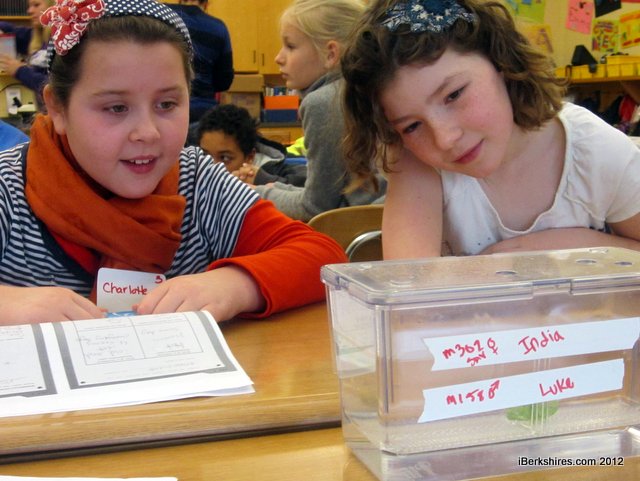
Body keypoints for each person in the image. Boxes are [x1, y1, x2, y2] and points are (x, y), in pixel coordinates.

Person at [0, 0, 346, 327]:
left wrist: (236, 284)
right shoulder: (9, 187)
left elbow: (323, 256)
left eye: (166, 104)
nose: (147, 133)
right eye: (116, 108)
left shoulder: (196, 181)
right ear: (58, 108)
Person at [340, 0, 640, 259]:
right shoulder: (418, 164)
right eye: (412, 126)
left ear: (500, 61)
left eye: (454, 95)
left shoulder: (596, 150)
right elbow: (409, 291)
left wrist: (581, 244)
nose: (445, 139)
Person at [254, 0, 386, 222]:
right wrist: (275, 188)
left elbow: (315, 208)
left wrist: (253, 195)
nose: (279, 58)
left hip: (362, 231)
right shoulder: (357, 89)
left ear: (330, 54)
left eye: (290, 46)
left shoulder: (323, 102)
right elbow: (329, 196)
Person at [196, 104, 307, 187]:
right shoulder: (194, 169)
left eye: (225, 158)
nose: (213, 167)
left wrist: (261, 179)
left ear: (250, 157)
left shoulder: (270, 170)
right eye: (205, 156)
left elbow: (311, 187)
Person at [167, 0, 234, 124]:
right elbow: (224, 81)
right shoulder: (218, 28)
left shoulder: (161, 16)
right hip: (204, 114)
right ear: (207, 3)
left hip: (167, 108)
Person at [0, 0, 54, 111]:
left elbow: (55, 87)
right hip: (45, 114)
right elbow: (11, 30)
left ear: (53, 6)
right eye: (29, 6)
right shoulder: (34, 37)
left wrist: (20, 71)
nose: (29, 11)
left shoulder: (64, 42)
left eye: (36, 5)